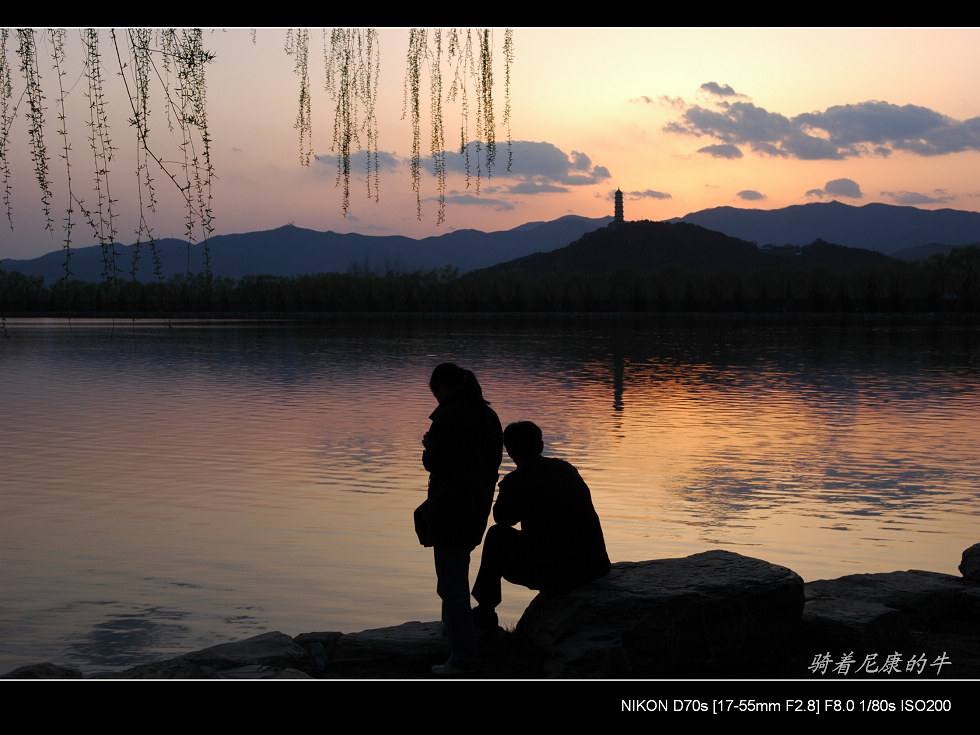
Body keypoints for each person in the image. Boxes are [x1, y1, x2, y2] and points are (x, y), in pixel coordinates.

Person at [471, 421, 610, 629]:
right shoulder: (566, 469)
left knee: (497, 535)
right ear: (541, 446)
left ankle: (485, 609)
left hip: (554, 571)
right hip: (592, 567)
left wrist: (496, 484)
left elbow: (502, 518)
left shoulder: (516, 480)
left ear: (509, 450)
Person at [416, 362, 502, 676]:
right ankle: (452, 635)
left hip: (451, 508)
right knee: (455, 574)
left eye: (434, 392)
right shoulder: (488, 415)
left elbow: (435, 462)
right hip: (477, 506)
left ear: (440, 387)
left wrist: (428, 447)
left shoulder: (449, 415)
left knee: (451, 584)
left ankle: (463, 659)